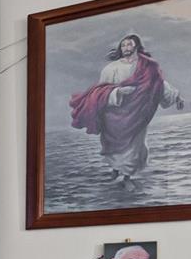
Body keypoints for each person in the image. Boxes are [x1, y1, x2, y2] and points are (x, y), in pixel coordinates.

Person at [69, 34, 184, 193]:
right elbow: (100, 90)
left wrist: (176, 96)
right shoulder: (111, 68)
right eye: (123, 45)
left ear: (136, 46)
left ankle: (126, 177)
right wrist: (118, 91)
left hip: (137, 113)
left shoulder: (148, 66)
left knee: (134, 146)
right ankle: (115, 169)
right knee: (112, 146)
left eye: (129, 44)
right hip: (114, 115)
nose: (125, 48)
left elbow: (158, 83)